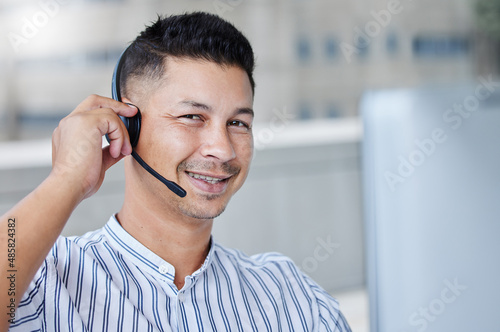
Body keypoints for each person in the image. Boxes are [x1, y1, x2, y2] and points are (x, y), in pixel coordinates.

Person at [0, 12, 351, 331]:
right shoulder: (44, 280)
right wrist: (66, 180)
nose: (223, 148)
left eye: (238, 123)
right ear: (128, 126)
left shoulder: (292, 297)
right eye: (192, 117)